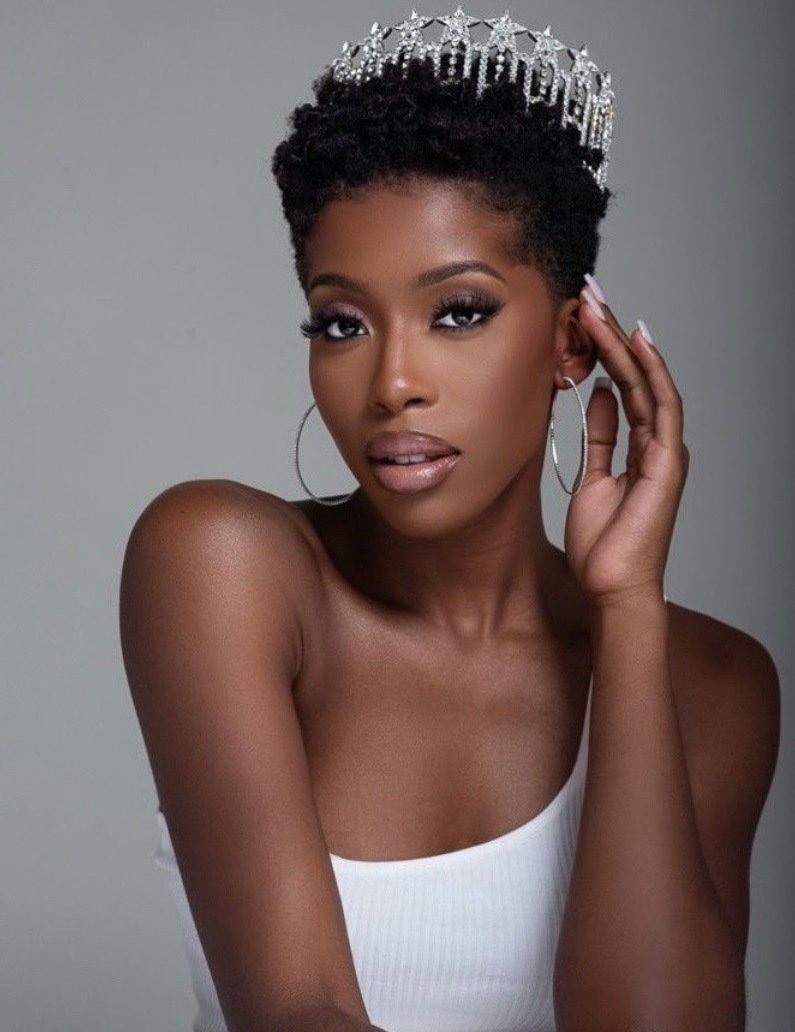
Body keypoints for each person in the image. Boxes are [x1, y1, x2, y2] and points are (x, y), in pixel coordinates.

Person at [119, 9, 780, 1032]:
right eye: (342, 323)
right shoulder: (223, 564)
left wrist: (627, 613)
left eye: (459, 312)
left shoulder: (716, 685)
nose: (392, 382)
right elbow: (300, 1013)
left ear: (573, 343)